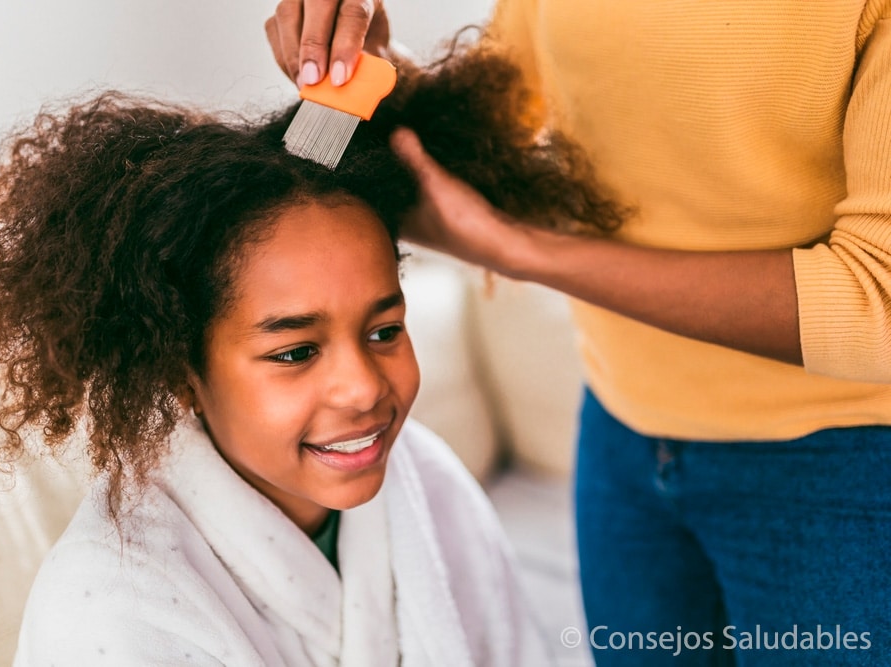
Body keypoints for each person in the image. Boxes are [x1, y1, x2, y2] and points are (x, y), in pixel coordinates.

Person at [0, 41, 623, 666]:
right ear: (181, 370)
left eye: (384, 331)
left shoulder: (429, 482)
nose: (362, 388)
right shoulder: (110, 613)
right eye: (295, 352)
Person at [265, 2, 891, 665]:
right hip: (621, 435)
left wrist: (525, 251)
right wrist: (382, 79)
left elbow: (876, 301)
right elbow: (500, 132)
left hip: (843, 465)